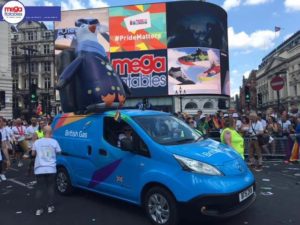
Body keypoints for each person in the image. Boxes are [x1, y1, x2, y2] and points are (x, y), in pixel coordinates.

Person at [32, 126, 61, 215]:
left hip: (39, 168)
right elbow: (59, 152)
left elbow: (33, 154)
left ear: (43, 132)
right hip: (51, 168)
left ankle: (39, 209)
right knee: (50, 187)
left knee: (40, 188)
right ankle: (49, 207)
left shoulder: (37, 142)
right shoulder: (54, 142)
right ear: (51, 132)